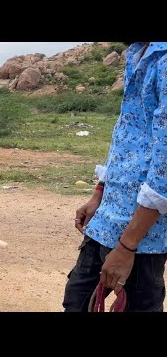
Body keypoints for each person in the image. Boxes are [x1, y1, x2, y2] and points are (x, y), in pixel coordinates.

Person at [63, 42, 167, 312]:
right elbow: (127, 131)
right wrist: (99, 192)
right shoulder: (136, 52)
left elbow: (165, 167)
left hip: (142, 238)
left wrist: (127, 245)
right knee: (76, 301)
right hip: (107, 219)